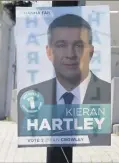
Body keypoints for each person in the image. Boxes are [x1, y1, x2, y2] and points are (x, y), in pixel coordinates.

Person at [18, 14, 111, 163]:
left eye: (79, 45)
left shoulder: (106, 93)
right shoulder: (30, 95)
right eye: (61, 45)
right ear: (49, 52)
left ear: (91, 52)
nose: (70, 55)